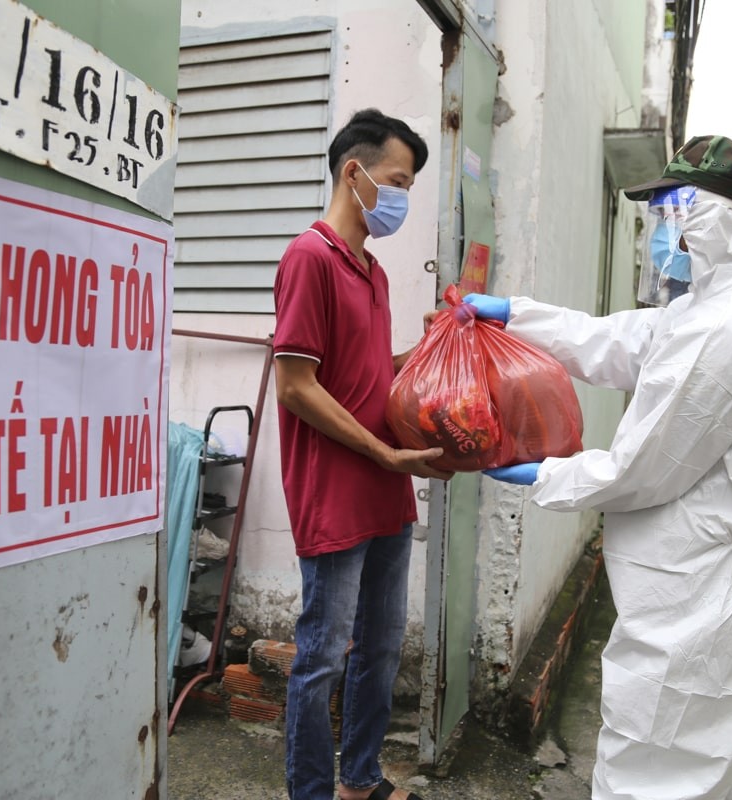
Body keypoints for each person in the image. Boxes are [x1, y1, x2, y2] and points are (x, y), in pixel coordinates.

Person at [464, 135, 732, 799]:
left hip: (694, 598)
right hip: (699, 578)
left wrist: (546, 475)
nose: (661, 229)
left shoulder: (726, 335)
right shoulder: (703, 311)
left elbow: (644, 470)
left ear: (713, 220)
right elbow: (617, 342)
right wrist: (518, 317)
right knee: (728, 766)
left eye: (672, 210)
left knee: (655, 769)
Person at [272, 108, 451, 800]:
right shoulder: (309, 259)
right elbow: (295, 385)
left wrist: (429, 345)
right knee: (321, 657)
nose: (402, 198)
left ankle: (361, 778)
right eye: (397, 181)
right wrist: (383, 452)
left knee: (379, 650)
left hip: (385, 490)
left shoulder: (370, 275)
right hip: (336, 493)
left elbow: (374, 377)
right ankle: (313, 792)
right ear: (355, 172)